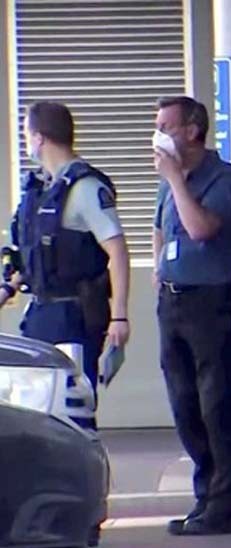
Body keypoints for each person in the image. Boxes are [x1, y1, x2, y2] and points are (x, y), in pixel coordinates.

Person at [152, 96, 231, 536]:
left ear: (192, 131)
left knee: (218, 406)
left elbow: (200, 228)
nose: (158, 134)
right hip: (173, 301)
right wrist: (159, 271)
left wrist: (176, 179)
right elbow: (161, 228)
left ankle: (226, 508)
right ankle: (205, 497)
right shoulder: (166, 184)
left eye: (165, 125)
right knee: (185, 406)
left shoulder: (226, 180)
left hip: (214, 304)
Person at [1, 101, 130, 429]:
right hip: (41, 314)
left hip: (74, 315)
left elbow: (117, 251)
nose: (27, 142)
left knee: (70, 413)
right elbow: (25, 257)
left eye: (27, 134)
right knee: (34, 411)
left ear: (40, 137)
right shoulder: (40, 190)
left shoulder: (86, 188)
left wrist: (120, 316)